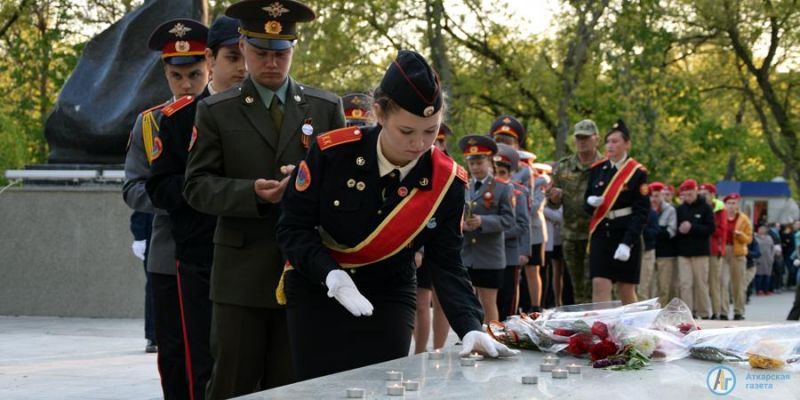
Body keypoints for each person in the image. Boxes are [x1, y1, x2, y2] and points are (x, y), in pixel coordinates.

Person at [275, 50, 518, 381]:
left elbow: (445, 260)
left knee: (383, 385)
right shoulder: (333, 152)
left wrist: (470, 326)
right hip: (318, 286)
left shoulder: (447, 180)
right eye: (406, 131)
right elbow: (292, 227)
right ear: (379, 113)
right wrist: (330, 274)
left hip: (389, 289)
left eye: (430, 131)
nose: (419, 144)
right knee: (319, 387)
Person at [183, 1, 346, 397]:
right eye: (259, 53)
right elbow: (196, 186)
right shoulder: (216, 111)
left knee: (292, 385)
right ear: (242, 46)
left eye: (280, 53)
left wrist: (309, 191)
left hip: (304, 271)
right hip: (241, 273)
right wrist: (249, 192)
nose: (270, 63)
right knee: (231, 382)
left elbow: (343, 190)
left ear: (293, 50)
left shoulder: (325, 109)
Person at [145, 15, 244, 400]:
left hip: (254, 253)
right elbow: (156, 187)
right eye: (233, 57)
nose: (242, 67)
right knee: (196, 360)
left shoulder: (264, 111)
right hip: (199, 254)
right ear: (214, 59)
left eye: (245, 57)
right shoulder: (174, 121)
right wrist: (208, 189)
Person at [122, 18, 209, 399]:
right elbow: (132, 188)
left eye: (194, 74)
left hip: (220, 250)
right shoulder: (150, 123)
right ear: (166, 73)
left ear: (208, 65)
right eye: (177, 76)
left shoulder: (227, 113)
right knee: (174, 353)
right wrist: (178, 197)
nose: (186, 85)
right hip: (168, 252)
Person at [584, 120, 649, 304]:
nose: (610, 145)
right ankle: (602, 328)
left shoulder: (637, 172)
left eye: (615, 141)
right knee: (599, 283)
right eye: (608, 141)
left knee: (626, 288)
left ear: (627, 144)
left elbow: (641, 212)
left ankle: (632, 329)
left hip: (625, 233)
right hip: (602, 231)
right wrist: (590, 202)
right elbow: (586, 204)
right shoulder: (597, 169)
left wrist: (628, 243)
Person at [459, 135, 515, 323]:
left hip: (489, 255)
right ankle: (472, 334)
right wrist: (462, 225)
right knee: (468, 301)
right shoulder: (463, 186)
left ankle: (493, 337)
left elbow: (509, 220)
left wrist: (483, 221)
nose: (475, 167)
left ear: (489, 161)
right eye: (471, 163)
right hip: (468, 254)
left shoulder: (502, 188)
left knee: (488, 302)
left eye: (479, 162)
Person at [547, 119, 604, 304]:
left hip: (596, 235)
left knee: (595, 284)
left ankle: (600, 323)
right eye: (579, 137)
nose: (582, 141)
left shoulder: (606, 167)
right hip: (571, 235)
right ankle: (584, 326)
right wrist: (553, 198)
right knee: (576, 285)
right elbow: (552, 203)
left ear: (597, 139)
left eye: (586, 137)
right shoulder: (563, 166)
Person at [413, 123, 453, 353]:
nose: (433, 144)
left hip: (441, 245)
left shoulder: (450, 171)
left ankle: (438, 350)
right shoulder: (414, 165)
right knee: (420, 303)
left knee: (441, 302)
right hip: (418, 244)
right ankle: (419, 352)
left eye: (437, 140)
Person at [493, 143, 530, 319]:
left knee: (508, 298)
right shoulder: (485, 192)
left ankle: (507, 333)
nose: (498, 178)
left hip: (509, 254)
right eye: (495, 173)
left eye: (503, 174)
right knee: (488, 297)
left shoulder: (518, 193)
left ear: (510, 174)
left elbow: (523, 224)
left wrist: (524, 251)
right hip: (488, 255)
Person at [675, 179, 715, 319]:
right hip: (683, 253)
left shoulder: (706, 207)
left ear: (696, 191)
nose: (687, 197)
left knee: (701, 284)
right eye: (685, 195)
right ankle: (688, 314)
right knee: (685, 284)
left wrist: (692, 227)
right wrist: (680, 229)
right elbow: (675, 230)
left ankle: (704, 313)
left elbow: (711, 228)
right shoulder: (679, 209)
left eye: (690, 194)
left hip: (700, 252)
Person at [129, 210, 157, 353]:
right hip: (155, 237)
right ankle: (153, 336)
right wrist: (139, 236)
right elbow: (142, 203)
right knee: (154, 287)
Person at [721, 193, 752, 320]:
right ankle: (723, 312)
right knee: (722, 282)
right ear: (725, 204)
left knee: (738, 284)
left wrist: (740, 235)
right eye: (729, 203)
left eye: (734, 203)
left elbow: (749, 239)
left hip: (737, 251)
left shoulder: (743, 218)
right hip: (723, 251)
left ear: (737, 204)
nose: (731, 206)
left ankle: (739, 311)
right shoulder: (720, 216)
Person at [699, 183, 728, 319]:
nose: (703, 196)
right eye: (701, 194)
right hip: (702, 248)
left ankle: (717, 311)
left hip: (714, 249)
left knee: (714, 283)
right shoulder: (701, 207)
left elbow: (721, 230)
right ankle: (703, 311)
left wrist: (705, 228)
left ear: (712, 195)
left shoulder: (719, 209)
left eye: (705, 194)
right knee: (702, 282)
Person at [650, 182, 677, 307]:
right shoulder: (646, 210)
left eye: (657, 196)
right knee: (648, 285)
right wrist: (659, 229)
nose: (654, 199)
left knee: (663, 286)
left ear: (662, 196)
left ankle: (661, 313)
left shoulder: (670, 210)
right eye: (653, 196)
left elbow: (670, 232)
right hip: (649, 251)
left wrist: (653, 229)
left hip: (665, 254)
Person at [754, 223, 776, 295]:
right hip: (759, 259)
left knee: (767, 275)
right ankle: (758, 290)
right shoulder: (755, 237)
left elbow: (773, 248)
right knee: (759, 275)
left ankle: (766, 290)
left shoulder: (769, 238)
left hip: (768, 259)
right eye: (761, 229)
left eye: (763, 229)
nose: (762, 230)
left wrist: (772, 257)